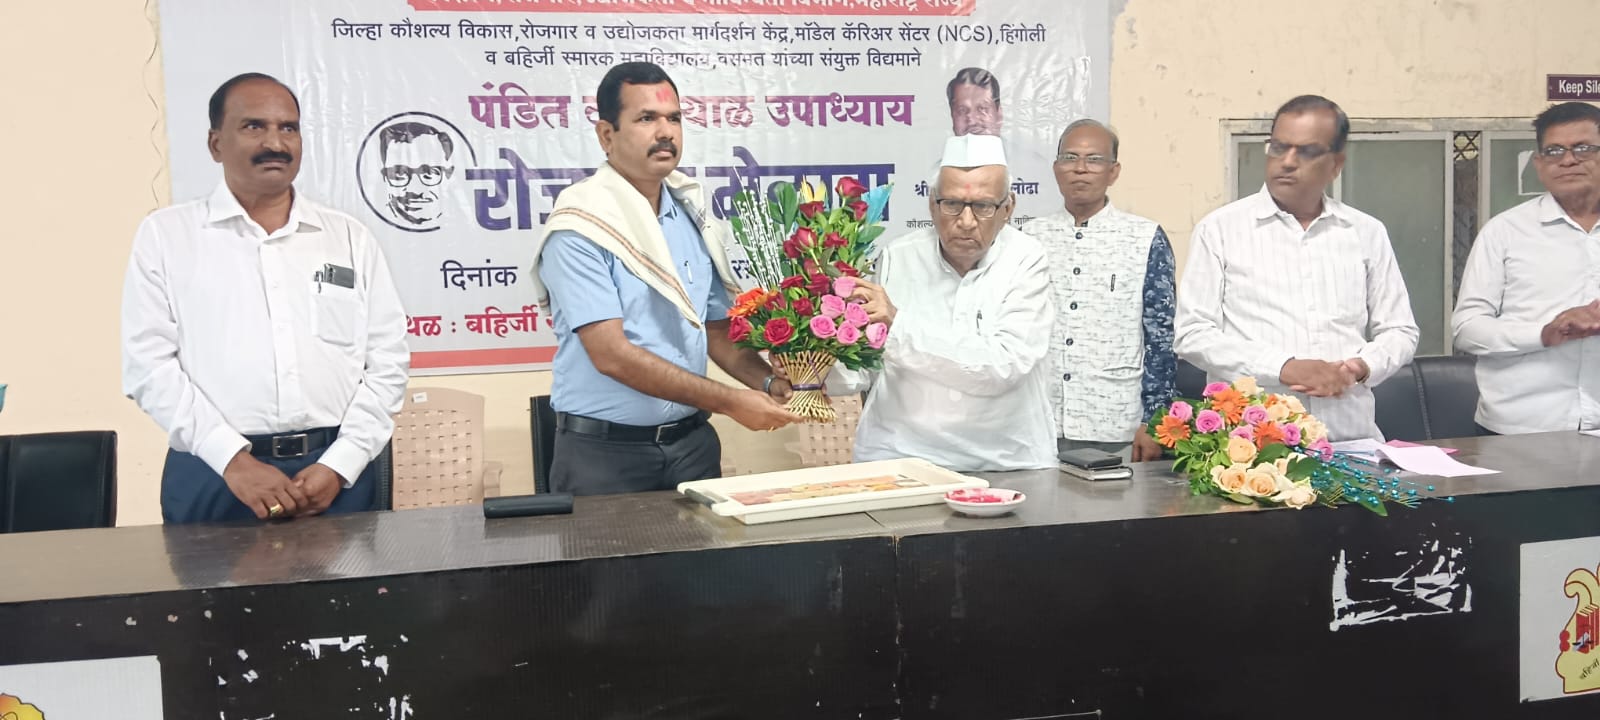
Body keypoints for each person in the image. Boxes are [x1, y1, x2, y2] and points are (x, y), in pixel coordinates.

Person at [122, 72, 410, 523]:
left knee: (346, 596)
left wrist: (341, 462)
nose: (275, 142)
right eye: (254, 126)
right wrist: (234, 461)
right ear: (216, 144)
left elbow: (388, 360)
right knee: (211, 598)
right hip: (213, 474)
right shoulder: (167, 236)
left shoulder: (349, 238)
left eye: (288, 127)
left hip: (334, 477)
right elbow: (148, 366)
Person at [530, 62, 801, 495]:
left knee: (704, 566)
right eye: (646, 119)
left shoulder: (689, 213)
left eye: (674, 118)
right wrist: (731, 402)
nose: (665, 132)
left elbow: (715, 329)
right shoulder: (581, 224)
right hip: (605, 457)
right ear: (606, 135)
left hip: (691, 445)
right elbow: (612, 355)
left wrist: (769, 381)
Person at [1174, 95, 1418, 442]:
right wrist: (1283, 367)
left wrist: (1360, 368)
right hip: (1253, 452)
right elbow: (1192, 333)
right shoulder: (1220, 230)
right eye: (1278, 148)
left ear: (1336, 164)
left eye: (1305, 152)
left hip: (1349, 438)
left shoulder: (1366, 232)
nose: (1286, 162)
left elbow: (1400, 331)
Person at [835, 134, 1057, 471]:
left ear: (1008, 208)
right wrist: (814, 366)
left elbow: (1004, 366)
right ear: (931, 203)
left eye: (982, 206)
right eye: (952, 204)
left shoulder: (1026, 259)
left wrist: (899, 324)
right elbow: (868, 367)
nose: (966, 221)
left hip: (1005, 460)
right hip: (901, 456)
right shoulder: (899, 256)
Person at [1023, 119, 1175, 462]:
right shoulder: (1027, 239)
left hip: (1116, 423)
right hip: (1037, 423)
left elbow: (1161, 337)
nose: (1080, 169)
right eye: (1070, 158)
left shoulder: (1145, 238)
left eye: (1094, 160)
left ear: (1114, 171)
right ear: (1055, 168)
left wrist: (1156, 419)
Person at [1452, 101, 1600, 434]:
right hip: (1521, 430)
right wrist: (1543, 333)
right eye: (1554, 151)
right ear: (1538, 163)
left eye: (1583, 148)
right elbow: (1467, 328)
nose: (1568, 160)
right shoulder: (1505, 232)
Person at [377, 121, 455, 228]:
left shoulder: (460, 222)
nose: (415, 190)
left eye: (429, 174)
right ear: (384, 177)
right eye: (399, 175)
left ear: (449, 174)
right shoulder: (374, 228)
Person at [946, 67, 1002, 137]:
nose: (972, 121)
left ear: (999, 114)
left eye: (982, 109)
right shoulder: (937, 147)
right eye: (962, 110)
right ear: (952, 115)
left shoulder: (1015, 148)